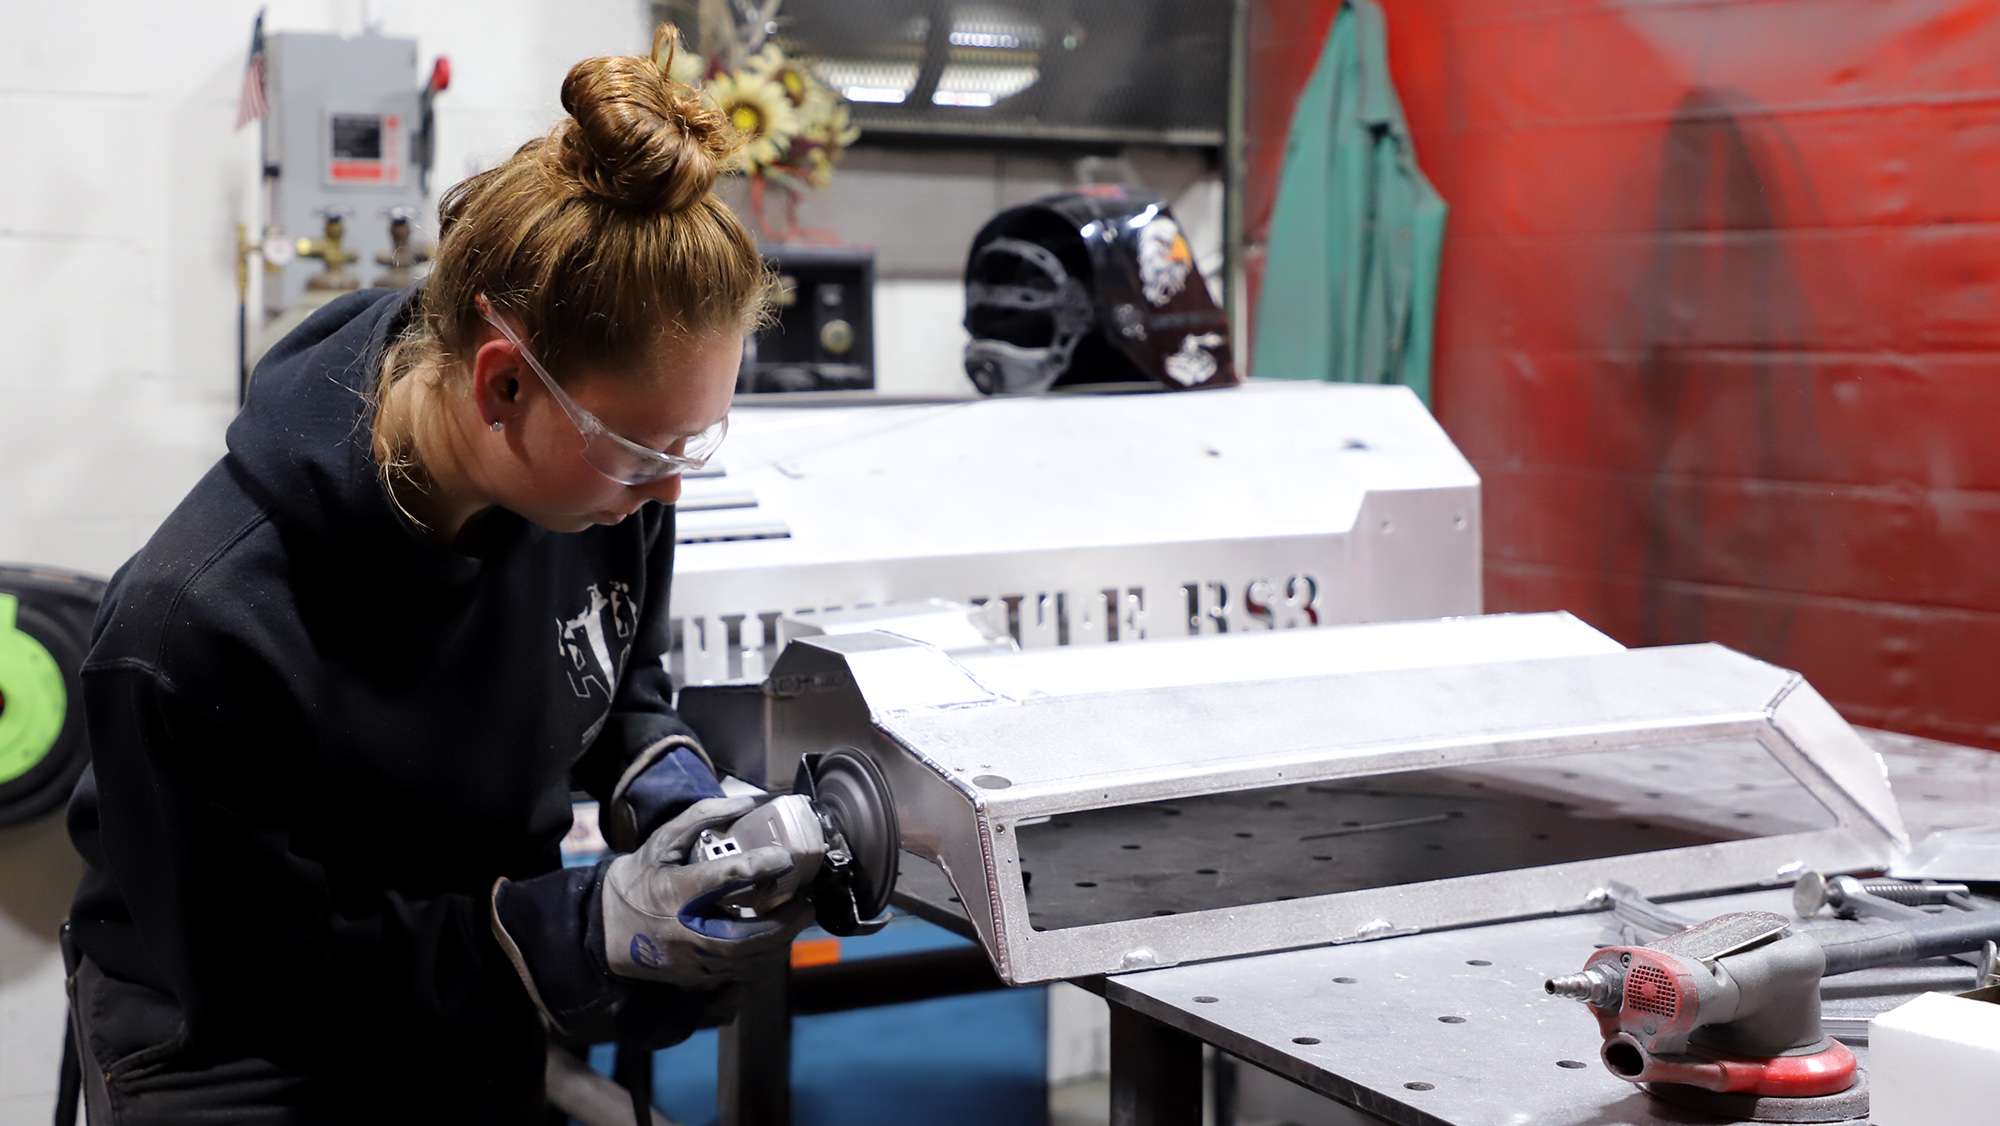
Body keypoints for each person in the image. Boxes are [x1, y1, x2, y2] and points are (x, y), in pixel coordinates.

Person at [62, 28, 808, 1123]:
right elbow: (262, 972)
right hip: (241, 1049)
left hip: (468, 992)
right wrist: (566, 931)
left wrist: (665, 780)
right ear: (504, 385)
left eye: (690, 447)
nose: (667, 494)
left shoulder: (599, 486)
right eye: (648, 452)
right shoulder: (194, 629)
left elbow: (614, 680)